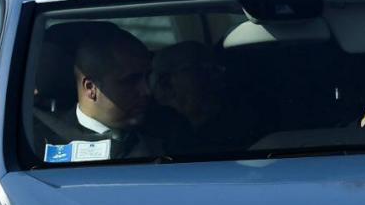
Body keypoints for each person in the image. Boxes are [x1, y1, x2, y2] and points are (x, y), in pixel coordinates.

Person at [38, 23, 191, 160]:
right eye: (130, 81)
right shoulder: (42, 141)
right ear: (91, 88)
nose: (146, 91)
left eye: (147, 77)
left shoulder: (171, 129)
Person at [151, 40, 258, 150]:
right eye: (201, 68)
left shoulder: (241, 122)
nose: (217, 75)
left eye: (216, 68)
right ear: (167, 82)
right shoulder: (154, 138)